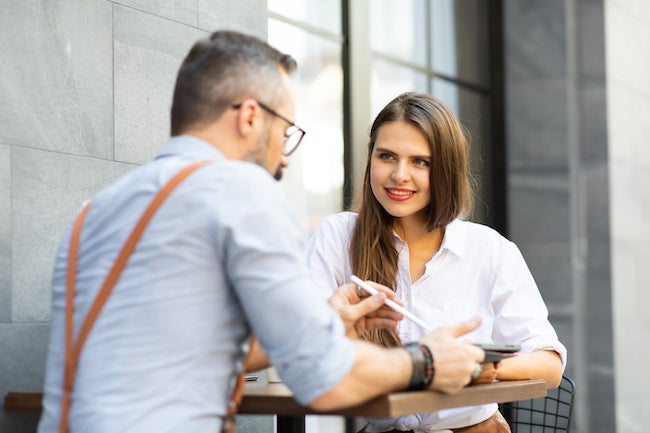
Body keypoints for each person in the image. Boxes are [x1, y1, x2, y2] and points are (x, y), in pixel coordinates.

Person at [37, 32, 487, 433]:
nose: (285, 158)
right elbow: (322, 376)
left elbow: (190, 345)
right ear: (250, 117)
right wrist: (426, 361)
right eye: (285, 131)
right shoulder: (239, 189)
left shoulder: (94, 211)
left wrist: (326, 319)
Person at [306, 92, 568, 433]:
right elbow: (300, 348)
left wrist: (479, 367)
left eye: (420, 162)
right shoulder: (338, 236)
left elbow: (549, 364)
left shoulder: (488, 250)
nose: (399, 174)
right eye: (387, 156)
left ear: (446, 169)